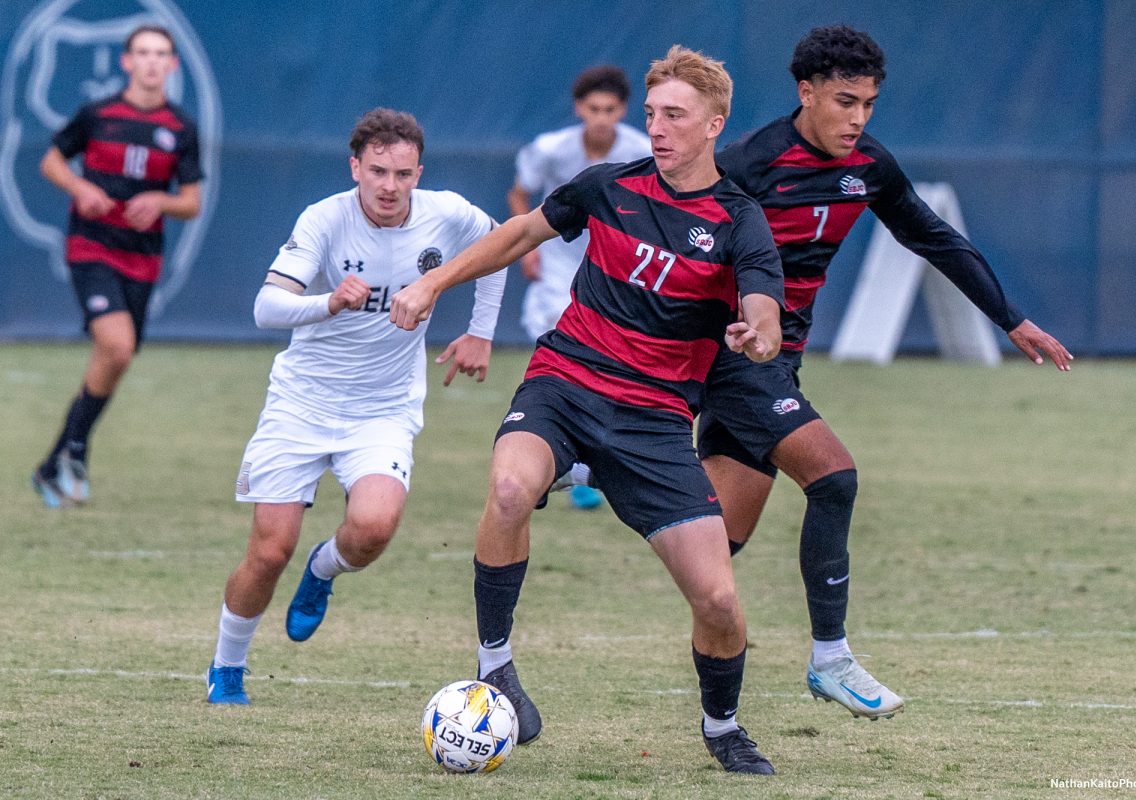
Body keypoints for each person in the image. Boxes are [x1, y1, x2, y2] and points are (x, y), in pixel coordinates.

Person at [392, 46, 785, 776]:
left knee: (720, 600)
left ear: (714, 126)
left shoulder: (737, 220)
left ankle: (722, 726)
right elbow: (520, 233)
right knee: (510, 488)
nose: (658, 129)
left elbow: (762, 300)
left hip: (655, 420)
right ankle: (496, 663)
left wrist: (759, 336)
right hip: (565, 382)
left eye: (676, 117)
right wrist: (436, 285)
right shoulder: (608, 187)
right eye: (653, 115)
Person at [698, 24, 1074, 719]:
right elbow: (681, 245)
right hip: (732, 359)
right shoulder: (748, 163)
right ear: (805, 92)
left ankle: (597, 462)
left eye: (869, 103)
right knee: (834, 478)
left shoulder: (868, 166)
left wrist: (1011, 319)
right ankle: (831, 659)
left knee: (713, 541)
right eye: (845, 101)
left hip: (781, 363)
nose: (858, 118)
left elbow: (936, 238)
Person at [205, 108, 506, 705]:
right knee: (269, 549)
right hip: (302, 402)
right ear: (355, 168)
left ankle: (324, 570)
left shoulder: (446, 214)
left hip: (383, 408)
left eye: (402, 173)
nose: (390, 186)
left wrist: (481, 331)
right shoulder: (325, 219)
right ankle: (226, 666)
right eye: (377, 172)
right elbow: (267, 309)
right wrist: (328, 303)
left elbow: (501, 246)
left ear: (419, 172)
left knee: (373, 527)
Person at [31, 25, 202, 508]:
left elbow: (191, 202)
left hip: (142, 259)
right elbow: (51, 162)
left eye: (161, 54)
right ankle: (78, 450)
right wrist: (81, 188)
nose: (151, 62)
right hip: (91, 247)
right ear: (126, 61)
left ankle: (51, 466)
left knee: (114, 359)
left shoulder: (182, 128)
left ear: (173, 65)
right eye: (143, 53)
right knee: (117, 345)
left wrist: (160, 202)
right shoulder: (98, 114)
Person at [508, 65, 651, 510]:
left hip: (610, 265)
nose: (602, 117)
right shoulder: (551, 150)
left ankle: (585, 461)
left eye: (610, 109)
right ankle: (551, 451)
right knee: (554, 353)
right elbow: (520, 194)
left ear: (623, 110)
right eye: (594, 108)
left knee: (606, 359)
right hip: (557, 262)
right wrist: (528, 249)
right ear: (579, 109)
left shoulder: (642, 150)